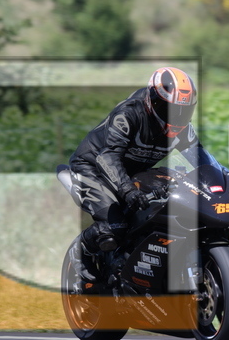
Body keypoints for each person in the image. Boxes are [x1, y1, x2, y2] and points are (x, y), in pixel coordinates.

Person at [68, 67, 212, 285]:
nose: (176, 116)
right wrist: (127, 190)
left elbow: (200, 159)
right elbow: (108, 157)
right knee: (114, 226)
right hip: (91, 167)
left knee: (158, 211)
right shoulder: (128, 114)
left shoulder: (183, 129)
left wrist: (210, 185)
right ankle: (81, 251)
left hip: (132, 172)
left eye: (183, 111)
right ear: (152, 100)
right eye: (168, 108)